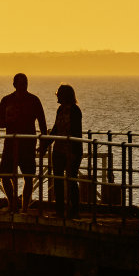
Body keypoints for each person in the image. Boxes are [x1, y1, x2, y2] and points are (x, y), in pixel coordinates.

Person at [0, 73, 46, 210]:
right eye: (21, 83)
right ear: (14, 84)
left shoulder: (34, 100)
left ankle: (24, 207)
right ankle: (12, 202)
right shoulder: (6, 100)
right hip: (10, 143)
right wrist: (9, 121)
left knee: (28, 176)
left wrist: (43, 144)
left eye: (26, 82)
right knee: (4, 175)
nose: (24, 85)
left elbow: (42, 123)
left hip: (28, 144)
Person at [48, 84, 83, 217]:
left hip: (71, 150)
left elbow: (76, 132)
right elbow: (56, 129)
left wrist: (75, 152)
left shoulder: (75, 110)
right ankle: (60, 209)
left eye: (59, 94)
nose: (57, 96)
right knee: (57, 180)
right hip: (58, 150)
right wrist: (46, 144)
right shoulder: (60, 109)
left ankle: (74, 210)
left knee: (72, 180)